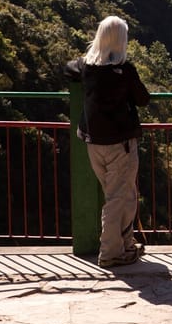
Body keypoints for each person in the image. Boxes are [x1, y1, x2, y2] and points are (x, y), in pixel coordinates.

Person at [64, 16, 150, 268]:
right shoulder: (125, 72)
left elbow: (68, 67)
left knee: (123, 195)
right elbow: (143, 99)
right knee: (117, 199)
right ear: (121, 41)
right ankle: (111, 253)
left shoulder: (86, 67)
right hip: (120, 144)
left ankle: (125, 245)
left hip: (94, 143)